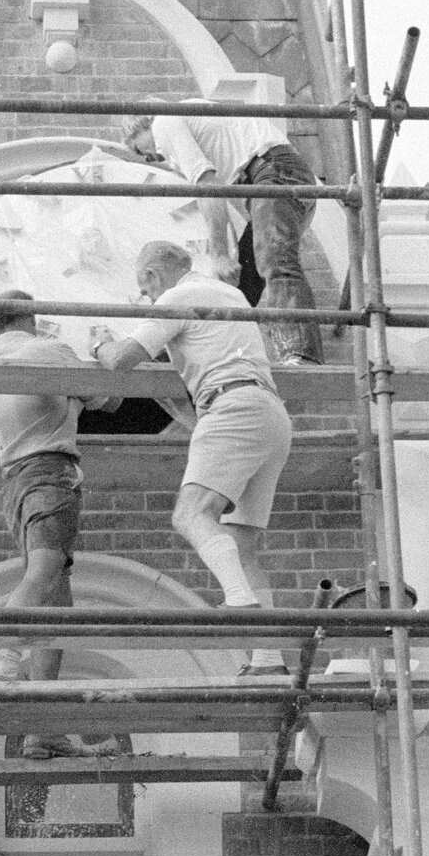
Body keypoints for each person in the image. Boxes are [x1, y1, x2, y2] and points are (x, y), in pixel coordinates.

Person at [91, 240, 293, 669]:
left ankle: (239, 600)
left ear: (151, 275)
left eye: (143, 290)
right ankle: (268, 659)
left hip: (232, 408)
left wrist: (100, 343)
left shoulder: (176, 297)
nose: (146, 299)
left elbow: (122, 360)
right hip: (270, 415)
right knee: (242, 548)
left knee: (190, 515)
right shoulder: (229, 294)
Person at [0, 292, 88, 751]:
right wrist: (100, 350)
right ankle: (5, 661)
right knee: (43, 573)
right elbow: (112, 398)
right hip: (50, 473)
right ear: (32, 317)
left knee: (57, 610)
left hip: (15, 482)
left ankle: (44, 730)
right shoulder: (50, 350)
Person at [127, 106, 323, 364]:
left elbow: (207, 186)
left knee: (274, 261)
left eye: (142, 151)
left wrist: (218, 254)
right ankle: (215, 358)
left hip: (272, 173)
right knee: (241, 289)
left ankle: (302, 354)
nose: (154, 158)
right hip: (275, 176)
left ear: (143, 123)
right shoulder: (197, 125)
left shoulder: (164, 121)